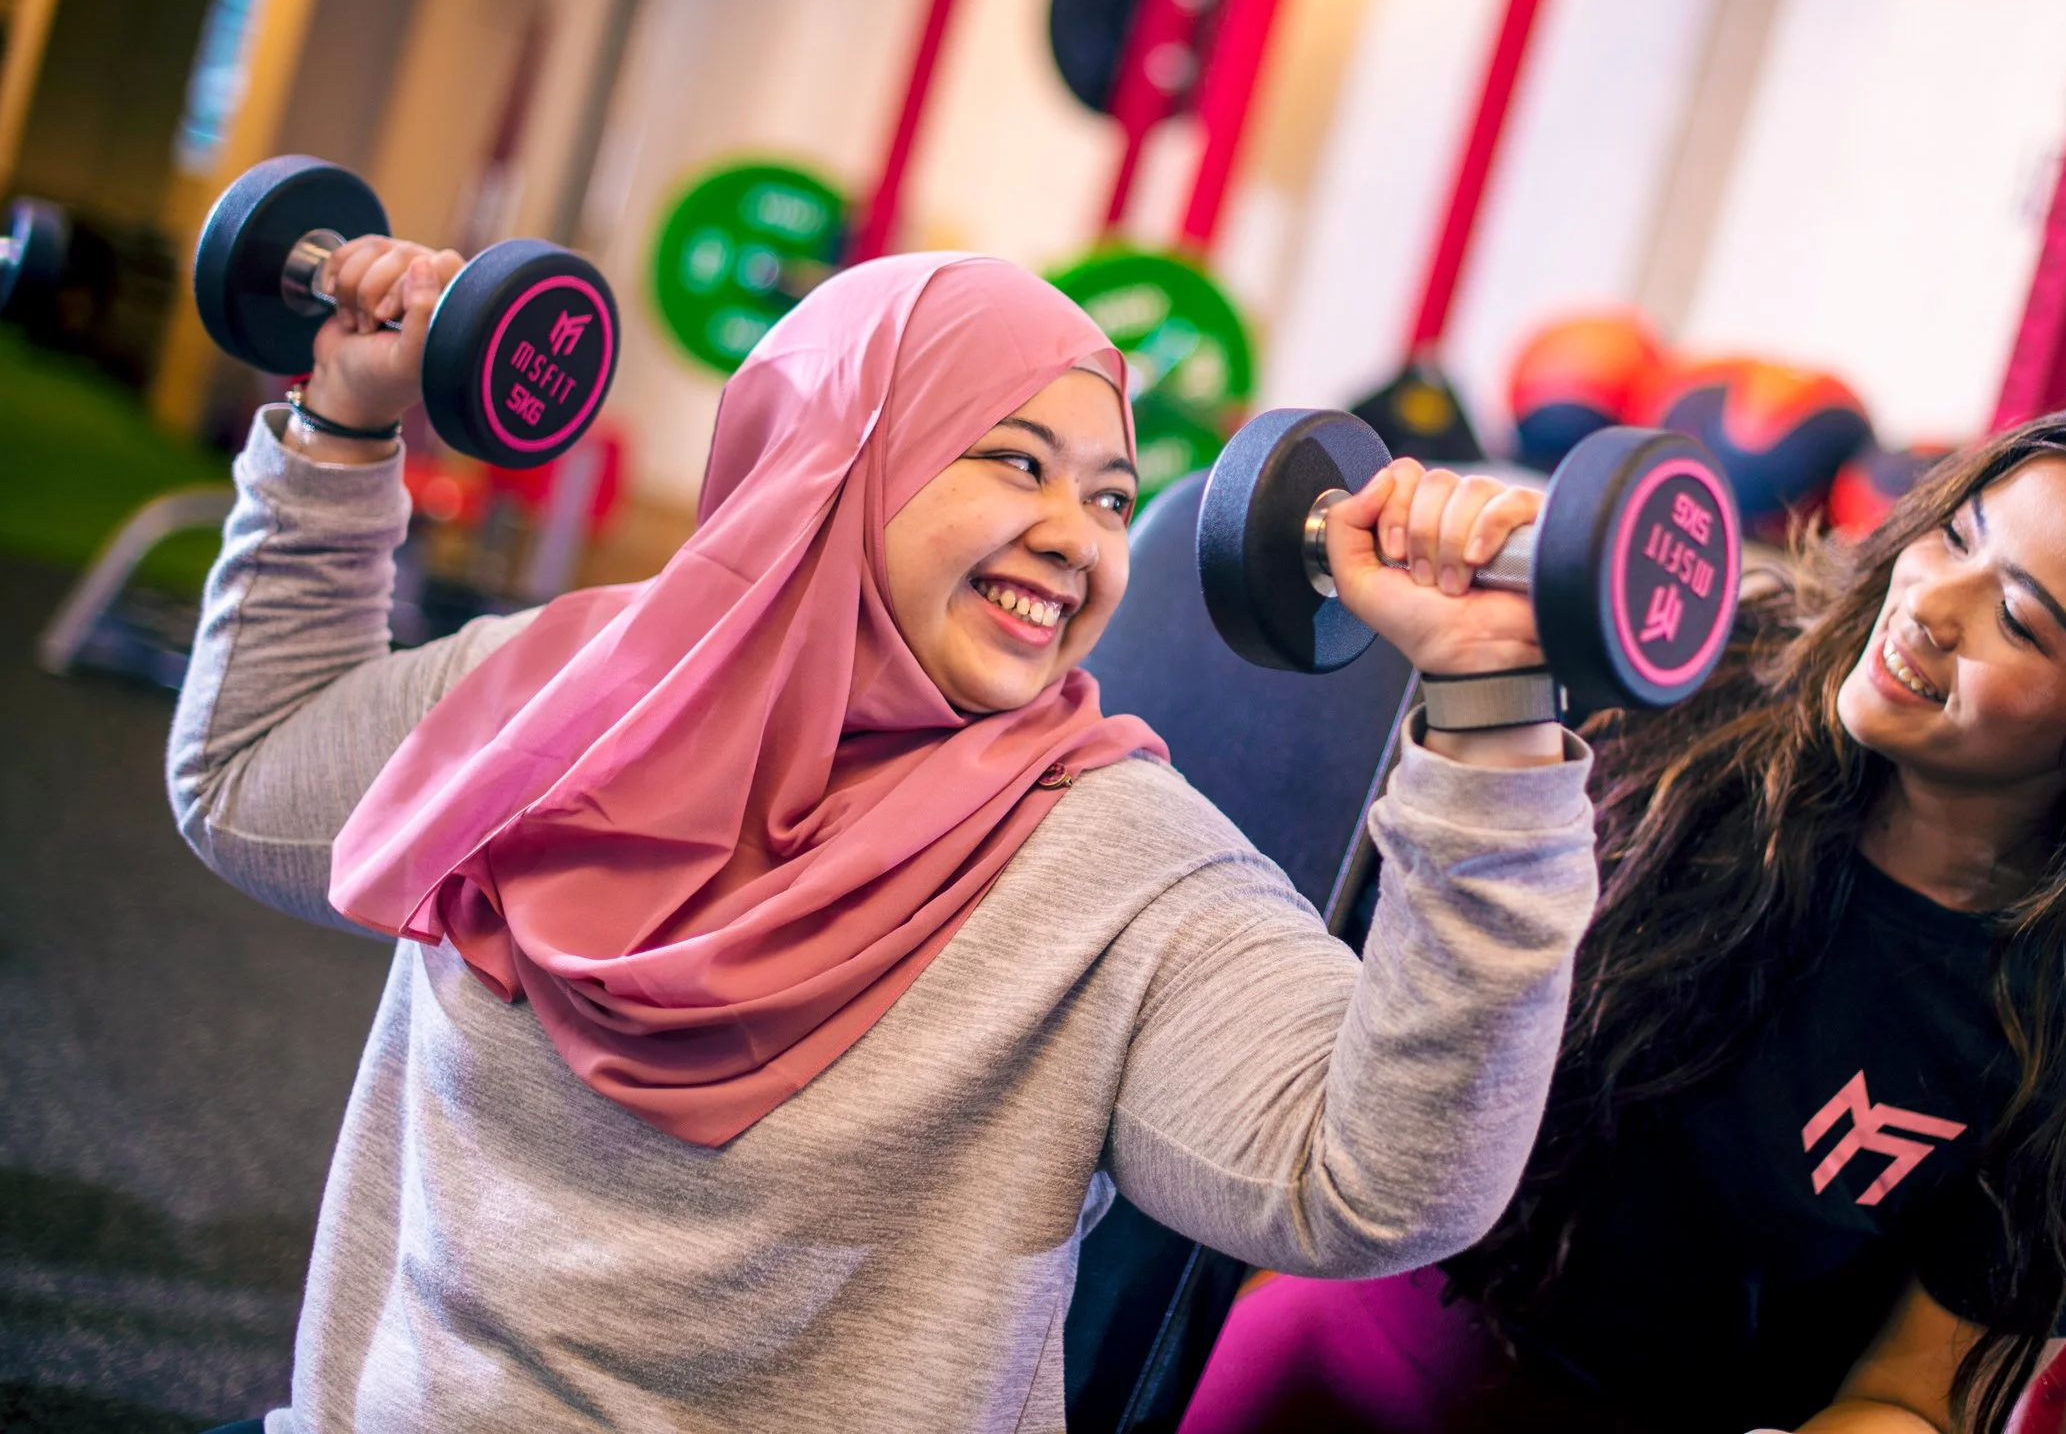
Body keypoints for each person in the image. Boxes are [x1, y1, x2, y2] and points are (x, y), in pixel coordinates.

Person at [168, 244, 1604, 1432]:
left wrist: (1492, 724)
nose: (1080, 538)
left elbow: (1382, 1182)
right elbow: (246, 777)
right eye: (1017, 463)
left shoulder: (1119, 867)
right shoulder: (567, 695)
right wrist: (344, 423)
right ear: (832, 458)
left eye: (1111, 497)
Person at [1177, 402, 2066, 1434]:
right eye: (1956, 534)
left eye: (2020, 621)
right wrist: (1460, 594)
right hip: (1331, 1347)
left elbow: (1917, 1394)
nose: (1929, 604)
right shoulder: (1681, 681)